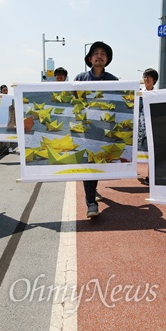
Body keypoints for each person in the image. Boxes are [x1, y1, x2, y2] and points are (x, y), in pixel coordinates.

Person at [74, 41, 118, 218]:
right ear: (90, 58)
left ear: (107, 59)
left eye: (103, 54)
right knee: (89, 165)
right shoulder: (80, 78)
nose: (99, 56)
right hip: (86, 131)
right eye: (96, 53)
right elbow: (73, 103)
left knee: (98, 164)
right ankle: (91, 203)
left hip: (105, 131)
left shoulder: (114, 81)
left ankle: (93, 191)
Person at [138, 68, 159, 185]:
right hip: (138, 128)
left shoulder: (157, 95)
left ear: (154, 80)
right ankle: (132, 171)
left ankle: (150, 177)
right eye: (144, 76)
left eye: (148, 77)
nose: (146, 79)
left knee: (151, 152)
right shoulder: (139, 93)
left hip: (150, 128)